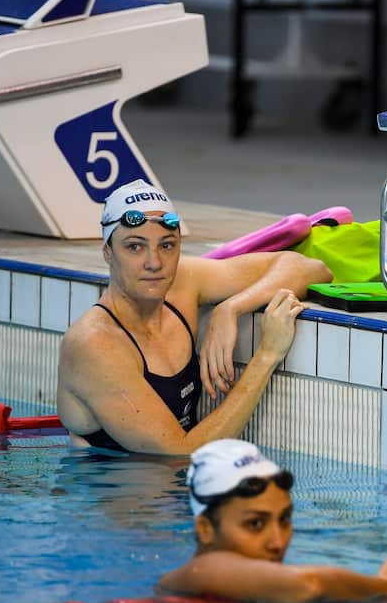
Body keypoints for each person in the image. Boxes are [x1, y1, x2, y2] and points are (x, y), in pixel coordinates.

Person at [57, 179, 332, 454]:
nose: (154, 263)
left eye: (167, 246)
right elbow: (181, 453)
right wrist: (267, 356)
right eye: (134, 247)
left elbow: (309, 268)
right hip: (113, 492)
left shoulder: (183, 283)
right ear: (107, 252)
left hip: (181, 489)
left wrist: (231, 308)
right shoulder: (92, 344)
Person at [158, 440, 387, 603]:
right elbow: (311, 585)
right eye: (255, 524)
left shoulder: (252, 594)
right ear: (205, 529)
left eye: (285, 520)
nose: (278, 542)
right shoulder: (203, 570)